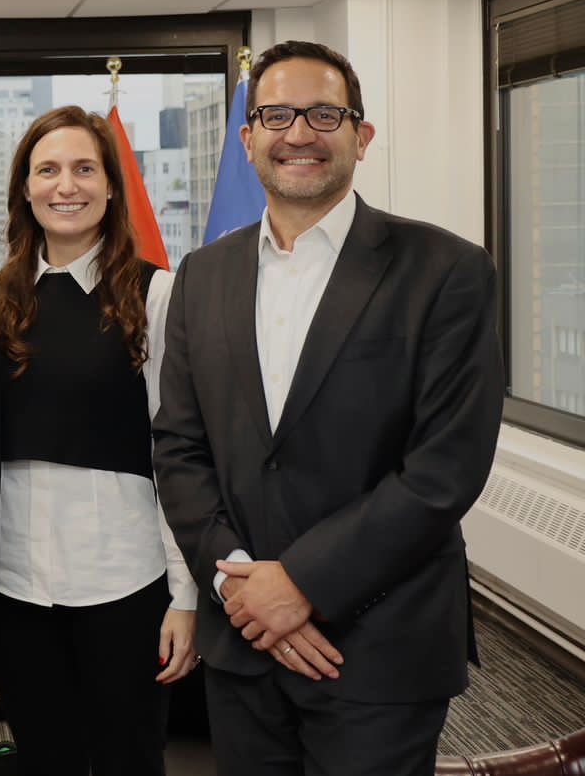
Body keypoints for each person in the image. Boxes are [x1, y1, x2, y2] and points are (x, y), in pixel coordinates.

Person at [153, 40, 504, 776]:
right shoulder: (202, 274)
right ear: (247, 139)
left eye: (323, 114)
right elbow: (180, 449)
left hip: (380, 644)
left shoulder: (446, 271)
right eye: (276, 115)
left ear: (361, 136)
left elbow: (444, 468)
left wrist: (302, 584)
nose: (299, 134)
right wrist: (240, 585)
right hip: (243, 641)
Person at [0, 106, 198, 775]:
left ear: (112, 186)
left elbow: (178, 454)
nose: (65, 185)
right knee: (44, 758)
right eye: (47, 169)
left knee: (128, 759)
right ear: (25, 187)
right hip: (16, 584)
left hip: (125, 581)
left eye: (84, 168)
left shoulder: (155, 295)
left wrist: (186, 595)